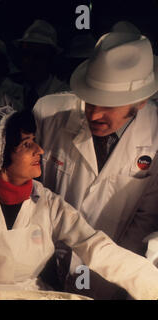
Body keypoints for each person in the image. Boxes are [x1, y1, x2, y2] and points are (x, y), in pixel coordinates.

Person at [0, 107, 158, 300]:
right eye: (27, 144)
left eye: (35, 140)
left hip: (34, 294)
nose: (40, 150)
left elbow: (96, 247)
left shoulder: (48, 204)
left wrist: (151, 284)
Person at [33, 32, 158, 298]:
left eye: (109, 105)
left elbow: (144, 221)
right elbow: (28, 192)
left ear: (140, 101)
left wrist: (114, 283)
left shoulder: (155, 137)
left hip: (111, 279)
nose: (94, 113)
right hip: (41, 266)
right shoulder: (48, 115)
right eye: (90, 99)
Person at [9, 19, 69, 110]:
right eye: (27, 54)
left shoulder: (65, 95)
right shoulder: (10, 91)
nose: (31, 61)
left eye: (39, 56)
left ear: (51, 58)